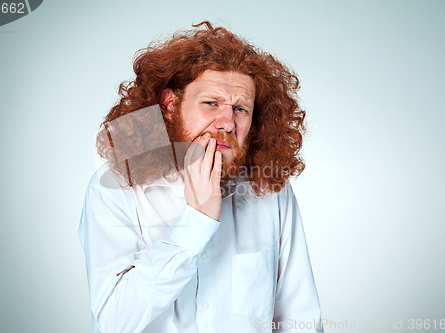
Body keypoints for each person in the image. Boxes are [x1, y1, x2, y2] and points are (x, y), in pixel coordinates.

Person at [78, 21, 324, 333]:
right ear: (171, 104)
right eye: (211, 103)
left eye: (240, 109)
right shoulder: (115, 187)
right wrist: (197, 220)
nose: (227, 122)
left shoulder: (271, 189)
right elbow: (113, 322)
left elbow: (299, 318)